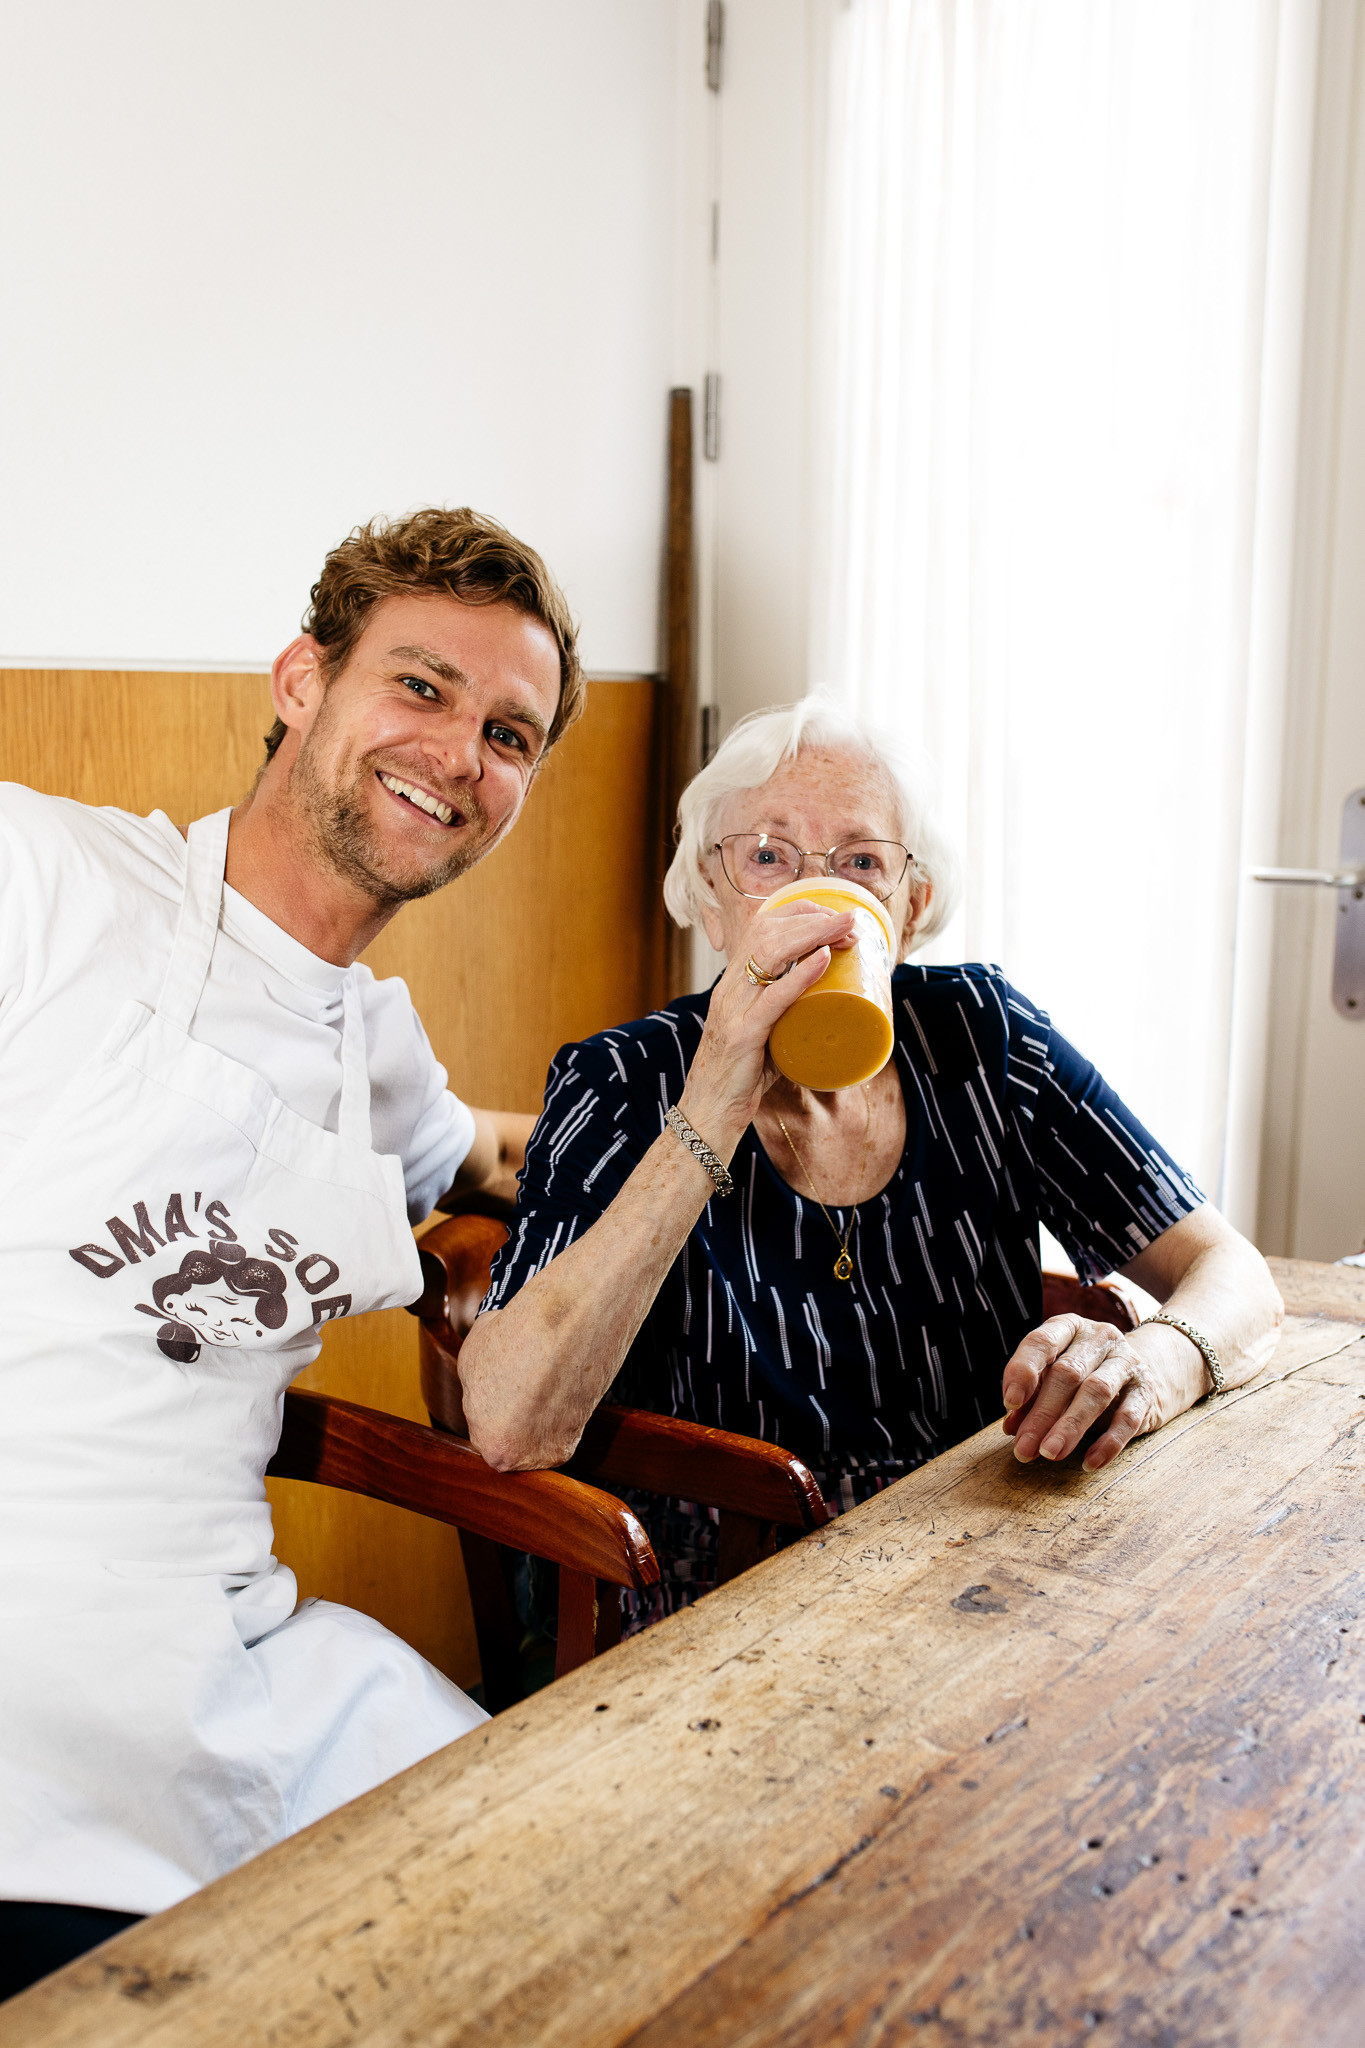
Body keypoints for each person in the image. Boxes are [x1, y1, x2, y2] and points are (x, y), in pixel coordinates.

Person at [0, 506, 579, 1999]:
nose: (460, 754)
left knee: (581, 1871)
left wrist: (721, 1108)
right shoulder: (47, 882)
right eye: (422, 688)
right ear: (298, 683)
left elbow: (491, 1158)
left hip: (220, 1653)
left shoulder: (368, 1045)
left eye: (511, 734)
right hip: (27, 1658)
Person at [458, 698, 1283, 1624]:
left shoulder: (983, 1040)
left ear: (909, 907)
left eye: (860, 863)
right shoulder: (620, 1078)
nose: (813, 901)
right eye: (765, 856)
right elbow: (507, 1420)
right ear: (708, 896)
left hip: (988, 1561)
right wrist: (714, 1102)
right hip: (728, 1602)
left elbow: (1235, 1275)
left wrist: (1155, 1365)